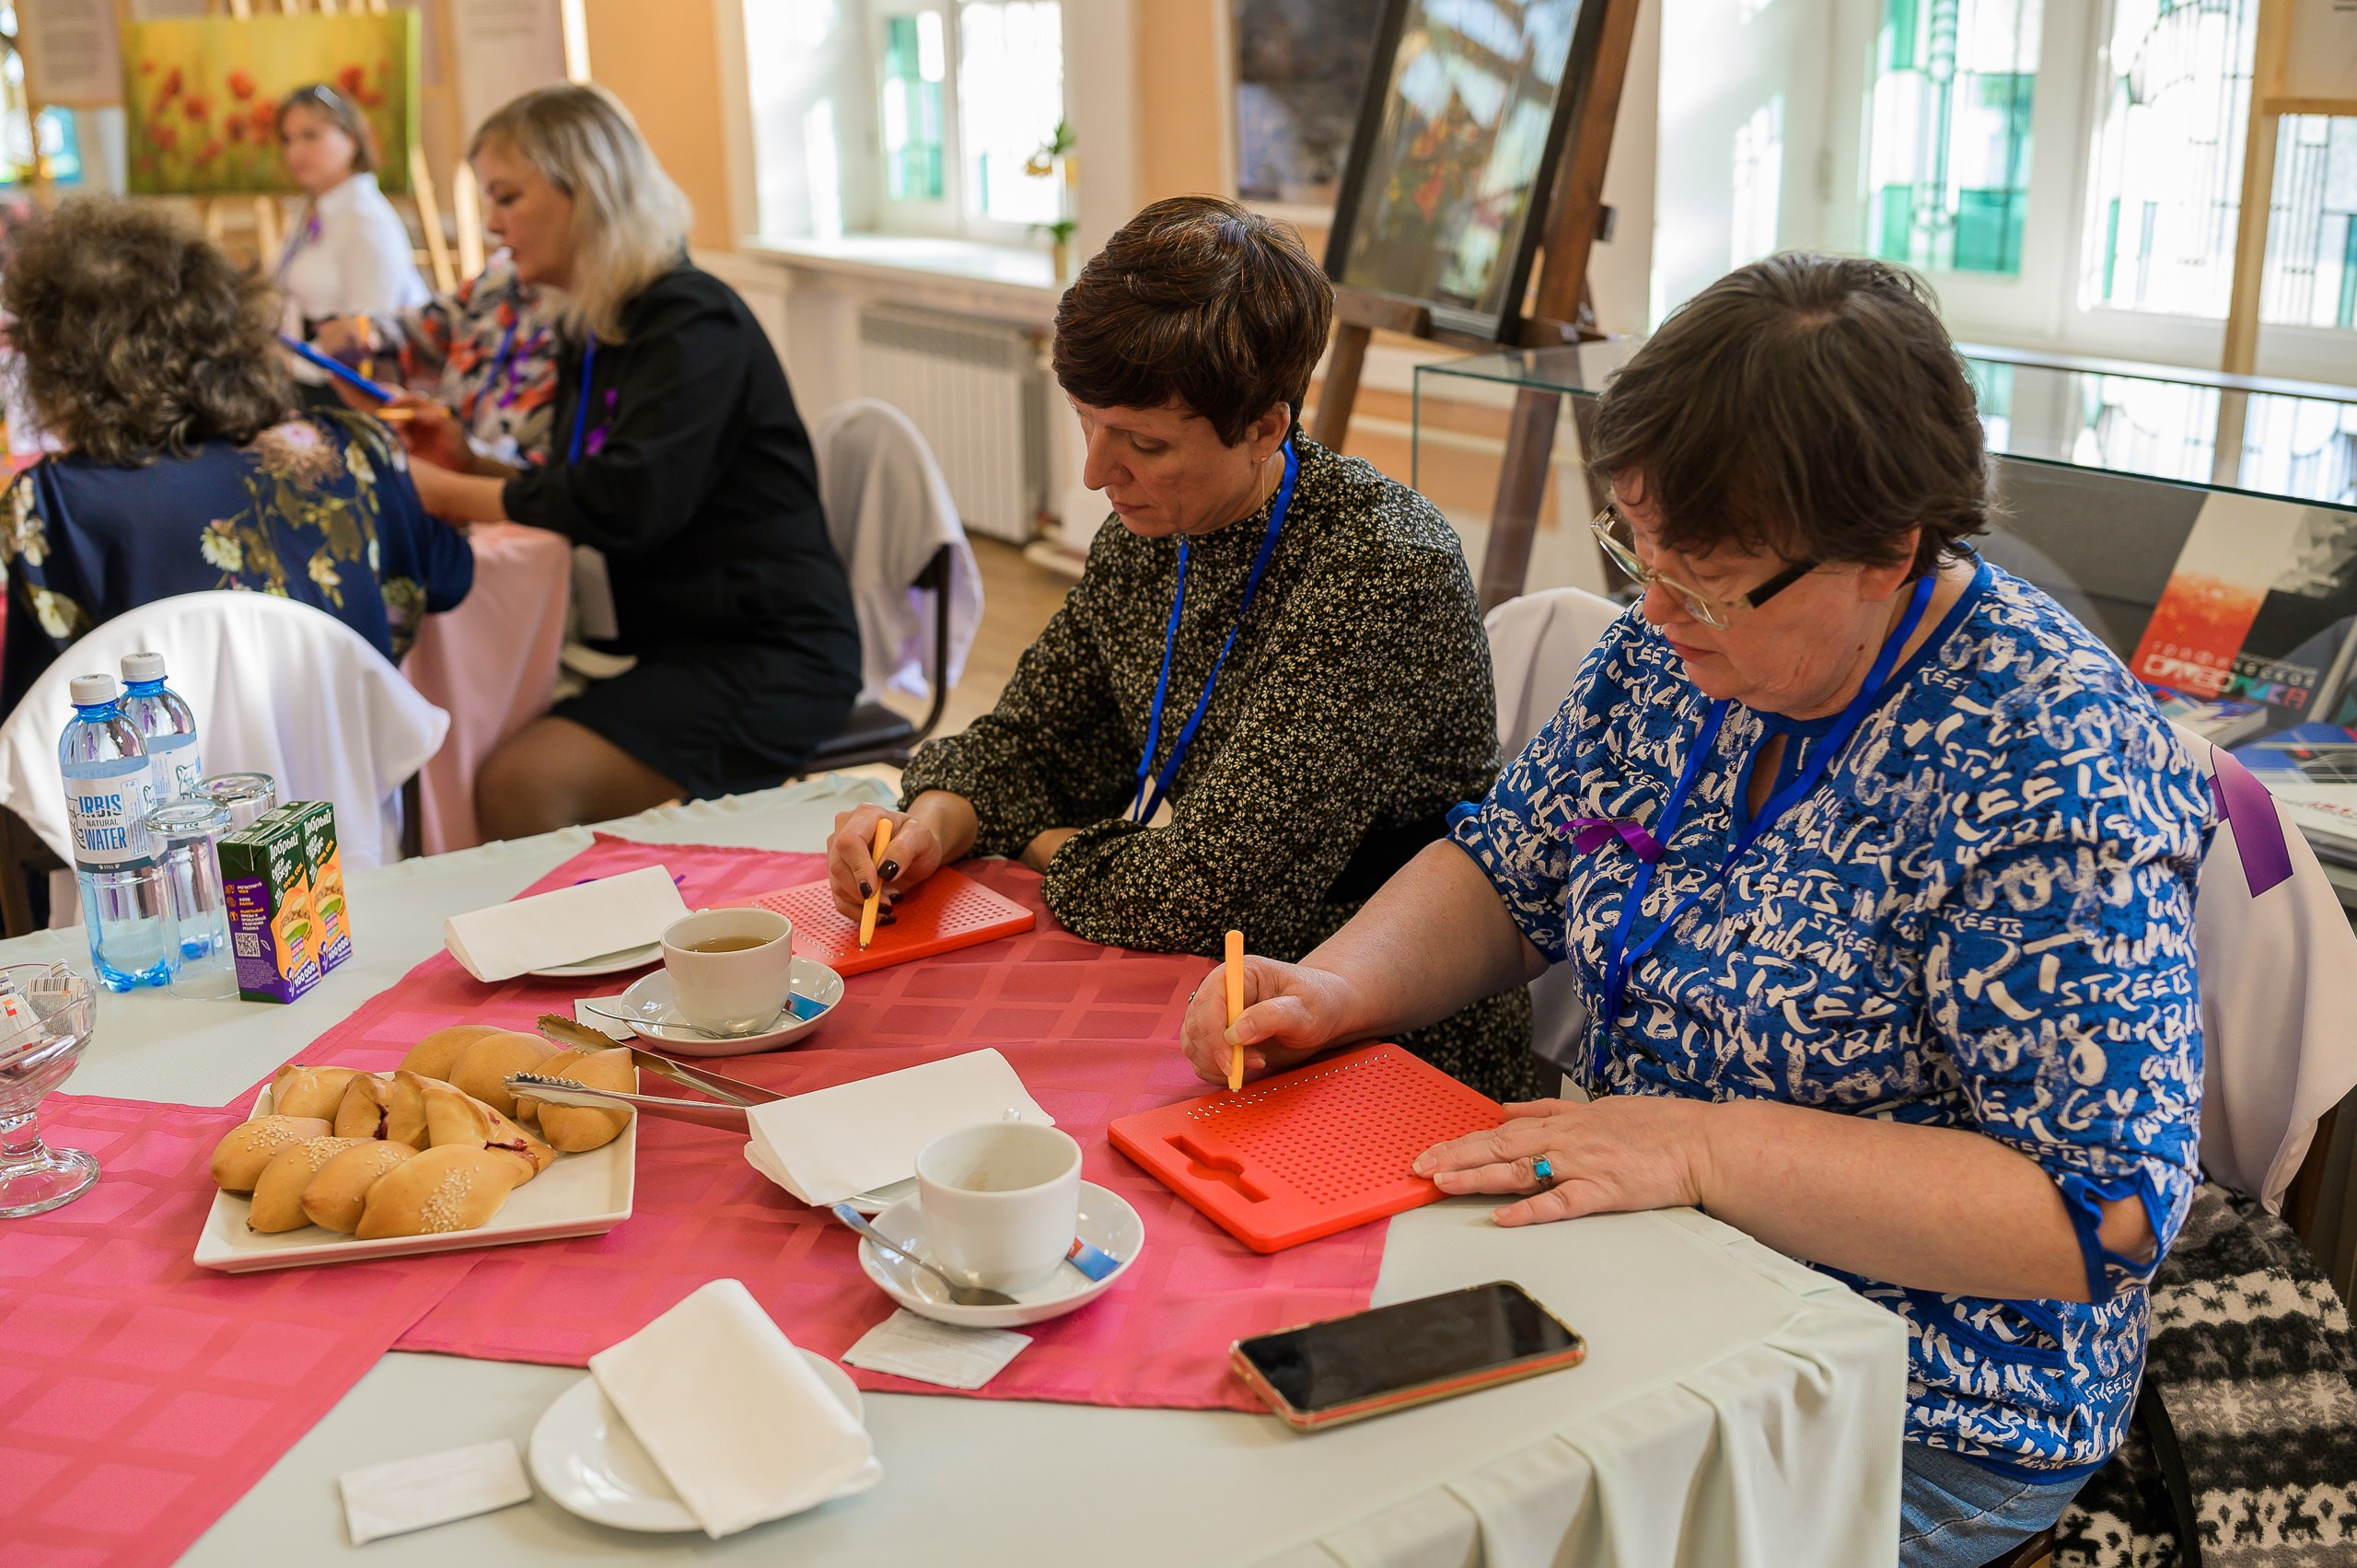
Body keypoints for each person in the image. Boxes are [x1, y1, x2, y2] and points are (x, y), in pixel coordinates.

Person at [1179, 255, 2208, 1568]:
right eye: (1637, 548)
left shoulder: (2047, 766)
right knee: (1280, 1446)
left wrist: (1706, 1149)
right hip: (1644, 1264)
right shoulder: (1676, 657)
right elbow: (1512, 865)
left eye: (1710, 580)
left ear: (1889, 552)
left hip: (1917, 1392)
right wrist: (1335, 985)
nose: (1653, 606)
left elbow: (2104, 1212)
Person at [827, 196, 1537, 1101]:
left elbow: (1213, 894)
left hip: (1379, 1036)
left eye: (1144, 443)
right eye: (1086, 420)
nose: (1093, 471)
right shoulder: (1147, 535)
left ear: (1266, 429)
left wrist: (1035, 838)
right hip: (1209, 989)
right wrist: (929, 822)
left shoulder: (1381, 566)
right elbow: (1027, 741)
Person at [394, 84, 860, 837]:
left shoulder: (691, 321)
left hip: (767, 655)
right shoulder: (600, 326)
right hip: (670, 640)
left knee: (519, 782)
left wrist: (448, 494)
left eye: (507, 196)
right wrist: (471, 463)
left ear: (589, 190)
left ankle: (585, 947)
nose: (491, 224)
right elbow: (587, 484)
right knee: (477, 740)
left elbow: (630, 502)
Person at [0, 198, 471, 715]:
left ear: (61, 367)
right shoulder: (355, 451)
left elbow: (34, 709)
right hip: (353, 786)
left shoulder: (53, 506)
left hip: (166, 789)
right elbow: (449, 578)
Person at [315, 251, 562, 467]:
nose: (492, 223)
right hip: (454, 484)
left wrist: (463, 471)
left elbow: (555, 494)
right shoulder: (501, 280)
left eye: (509, 199)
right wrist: (364, 334)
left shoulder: (589, 327)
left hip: (506, 506)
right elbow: (418, 334)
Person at [273, 83, 429, 338]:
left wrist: (294, 365)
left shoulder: (366, 220)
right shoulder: (311, 210)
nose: (294, 152)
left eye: (310, 135)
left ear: (352, 138)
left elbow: (369, 339)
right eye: (287, 139)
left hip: (336, 374)